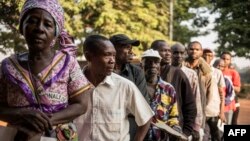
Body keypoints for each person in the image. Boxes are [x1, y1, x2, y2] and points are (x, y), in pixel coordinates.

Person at [0, 0, 90, 140]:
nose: (39, 28)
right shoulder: (7, 66)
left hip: (59, 136)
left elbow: (81, 105)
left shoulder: (68, 63)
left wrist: (46, 121)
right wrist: (21, 114)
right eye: (32, 21)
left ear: (56, 32)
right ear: (21, 27)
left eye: (47, 24)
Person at [75, 34, 153, 141]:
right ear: (89, 57)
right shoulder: (72, 85)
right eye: (107, 55)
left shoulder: (125, 86)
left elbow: (146, 117)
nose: (112, 61)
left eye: (114, 56)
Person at [151, 40, 197, 139]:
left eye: (169, 51)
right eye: (163, 51)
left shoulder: (178, 74)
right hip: (149, 132)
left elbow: (190, 106)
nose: (168, 54)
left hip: (173, 132)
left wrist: (185, 132)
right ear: (153, 52)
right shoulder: (143, 74)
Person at [110, 34, 149, 140]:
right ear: (113, 49)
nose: (132, 52)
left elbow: (143, 107)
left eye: (131, 48)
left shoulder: (136, 72)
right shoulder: (102, 73)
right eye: (127, 48)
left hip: (130, 129)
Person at [141, 49, 181, 141]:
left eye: (156, 62)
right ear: (141, 65)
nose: (152, 65)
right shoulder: (135, 87)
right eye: (148, 62)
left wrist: (175, 128)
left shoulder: (168, 88)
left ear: (159, 65)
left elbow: (173, 116)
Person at [171, 43, 203, 140]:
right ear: (170, 53)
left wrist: (196, 126)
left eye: (182, 53)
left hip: (183, 120)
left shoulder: (191, 74)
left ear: (185, 54)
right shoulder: (164, 70)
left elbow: (196, 100)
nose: (179, 56)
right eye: (175, 53)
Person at [184, 41, 213, 141]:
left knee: (198, 136)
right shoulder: (181, 68)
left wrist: (202, 105)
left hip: (199, 109)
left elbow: (209, 93)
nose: (194, 51)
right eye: (191, 49)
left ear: (201, 52)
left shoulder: (206, 72)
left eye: (197, 49)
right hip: (183, 108)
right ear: (187, 51)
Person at [203, 48, 226, 141]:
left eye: (209, 55)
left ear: (212, 58)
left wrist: (222, 112)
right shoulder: (196, 71)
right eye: (205, 54)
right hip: (201, 112)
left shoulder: (217, 72)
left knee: (216, 136)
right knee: (204, 136)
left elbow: (222, 94)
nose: (206, 57)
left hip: (214, 111)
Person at [220, 51, 241, 125]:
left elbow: (238, 89)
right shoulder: (215, 71)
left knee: (231, 123)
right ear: (220, 59)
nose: (225, 60)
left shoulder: (233, 73)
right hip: (217, 103)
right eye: (223, 58)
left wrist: (227, 85)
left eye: (227, 59)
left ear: (230, 61)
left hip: (230, 103)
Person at [213, 59, 236, 125]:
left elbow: (231, 94)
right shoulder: (209, 77)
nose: (219, 67)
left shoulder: (226, 79)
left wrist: (222, 103)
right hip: (213, 109)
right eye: (217, 65)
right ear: (213, 66)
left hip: (226, 108)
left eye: (221, 66)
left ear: (223, 68)